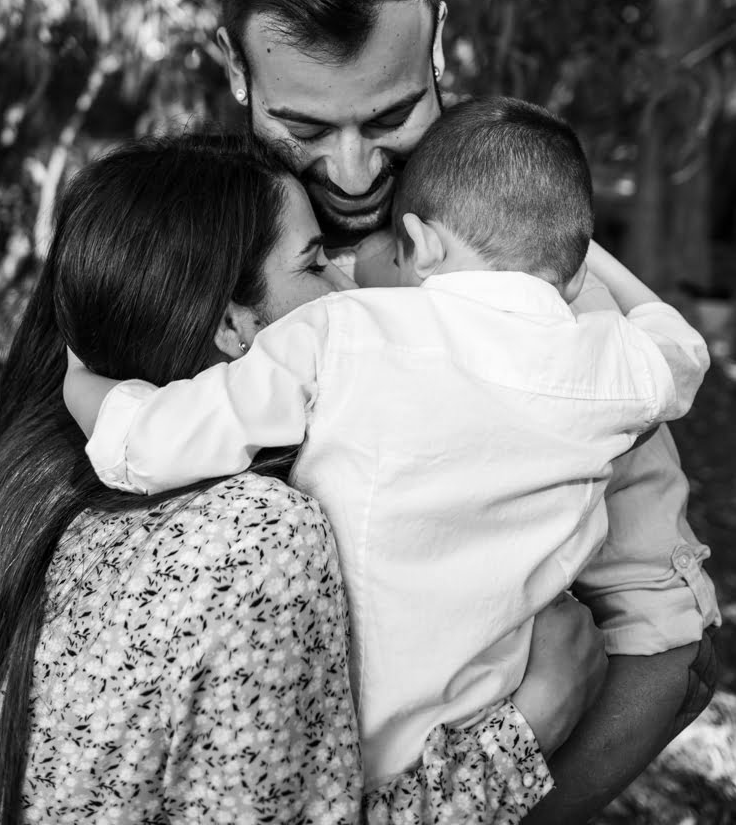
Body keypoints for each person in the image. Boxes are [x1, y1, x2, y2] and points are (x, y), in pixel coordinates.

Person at [214, 0, 720, 820]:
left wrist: (512, 790)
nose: (352, 171)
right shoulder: (179, 234)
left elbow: (664, 642)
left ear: (438, 41)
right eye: (304, 127)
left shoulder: (537, 273)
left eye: (389, 116)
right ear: (234, 67)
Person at [0, 133, 604, 825]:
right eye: (314, 264)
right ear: (233, 324)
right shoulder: (256, 534)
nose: (349, 287)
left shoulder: (31, 494)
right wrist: (531, 724)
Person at [70, 97, 711, 789]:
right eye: (320, 260)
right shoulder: (608, 366)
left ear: (422, 244)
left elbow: (151, 443)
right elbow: (682, 348)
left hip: (333, 733)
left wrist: (78, 377)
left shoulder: (343, 331)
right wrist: (578, 255)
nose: (352, 272)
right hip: (480, 740)